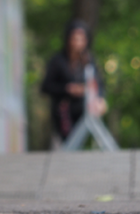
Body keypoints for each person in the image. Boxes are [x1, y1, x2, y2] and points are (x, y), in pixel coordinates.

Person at [41, 20, 107, 148]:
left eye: (81, 39)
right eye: (74, 39)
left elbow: (98, 83)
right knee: (69, 144)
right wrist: (67, 89)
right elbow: (46, 87)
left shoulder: (89, 60)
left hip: (84, 110)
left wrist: (100, 99)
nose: (77, 43)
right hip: (64, 112)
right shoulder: (58, 61)